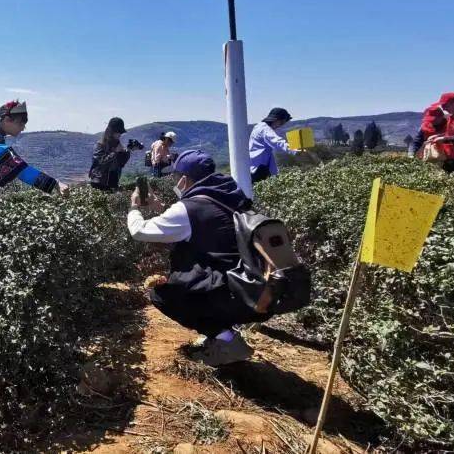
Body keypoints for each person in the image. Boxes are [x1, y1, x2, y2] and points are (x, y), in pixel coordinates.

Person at [127, 150, 260, 366]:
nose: (173, 181)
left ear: (184, 179)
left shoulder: (189, 208)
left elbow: (140, 232)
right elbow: (200, 223)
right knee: (193, 276)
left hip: (228, 294)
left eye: (174, 176)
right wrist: (159, 208)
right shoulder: (231, 197)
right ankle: (219, 336)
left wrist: (134, 207)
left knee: (163, 294)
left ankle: (228, 341)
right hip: (251, 286)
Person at [248, 107, 300, 183]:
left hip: (255, 167)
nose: (281, 125)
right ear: (276, 120)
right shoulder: (265, 129)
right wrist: (294, 150)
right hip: (259, 169)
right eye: (282, 123)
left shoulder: (258, 127)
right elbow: (277, 141)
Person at [89, 117, 131, 191]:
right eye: (118, 132)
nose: (120, 134)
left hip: (113, 180)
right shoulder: (100, 144)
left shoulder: (117, 144)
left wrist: (127, 152)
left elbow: (121, 163)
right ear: (111, 131)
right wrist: (115, 152)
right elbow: (100, 162)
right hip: (99, 182)